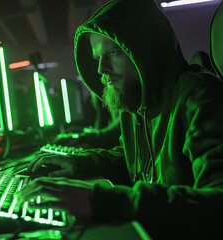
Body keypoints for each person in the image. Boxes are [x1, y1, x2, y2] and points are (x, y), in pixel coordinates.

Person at [15, 0, 223, 239]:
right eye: (97, 58)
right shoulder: (136, 106)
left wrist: (103, 201)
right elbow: (131, 159)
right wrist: (82, 163)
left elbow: (218, 204)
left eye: (113, 52)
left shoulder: (200, 97)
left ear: (147, 49)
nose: (101, 69)